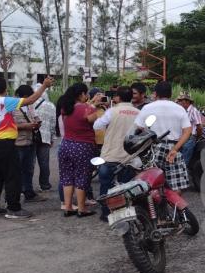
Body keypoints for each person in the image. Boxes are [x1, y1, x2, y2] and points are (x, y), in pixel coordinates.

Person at [0, 75, 54, 218]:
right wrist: (44, 85)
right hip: (6, 144)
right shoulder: (5, 101)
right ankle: (14, 209)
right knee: (12, 175)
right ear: (5, 88)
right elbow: (31, 100)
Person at [134, 80, 192, 192]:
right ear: (170, 94)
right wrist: (175, 149)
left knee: (151, 183)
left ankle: (155, 208)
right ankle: (175, 209)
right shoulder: (179, 108)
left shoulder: (148, 108)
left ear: (155, 93)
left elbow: (138, 128)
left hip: (153, 148)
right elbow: (188, 130)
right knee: (176, 185)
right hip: (173, 149)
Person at [93, 86, 140, 222]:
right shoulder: (138, 112)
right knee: (125, 186)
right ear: (131, 96)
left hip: (109, 155)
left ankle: (106, 213)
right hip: (129, 157)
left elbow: (97, 126)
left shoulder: (112, 112)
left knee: (106, 185)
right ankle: (123, 212)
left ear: (117, 98)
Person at [59, 83, 102, 217]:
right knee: (82, 177)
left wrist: (91, 104)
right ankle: (81, 208)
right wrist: (95, 107)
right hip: (82, 146)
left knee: (67, 177)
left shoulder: (66, 108)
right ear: (82, 94)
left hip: (65, 145)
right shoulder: (86, 108)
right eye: (86, 93)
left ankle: (68, 206)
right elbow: (90, 119)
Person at [12, 85, 45, 203]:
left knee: (29, 169)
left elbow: (35, 117)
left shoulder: (30, 106)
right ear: (24, 96)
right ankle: (13, 195)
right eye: (29, 96)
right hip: (17, 143)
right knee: (15, 170)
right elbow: (8, 126)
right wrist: (24, 126)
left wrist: (37, 122)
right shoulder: (12, 106)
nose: (31, 98)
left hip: (30, 141)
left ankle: (29, 193)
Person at [33, 93, 57, 191]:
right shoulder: (51, 105)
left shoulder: (29, 104)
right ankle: (45, 185)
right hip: (46, 137)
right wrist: (52, 137)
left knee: (29, 163)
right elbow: (53, 123)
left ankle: (25, 187)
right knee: (44, 163)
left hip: (33, 136)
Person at [176, 91, 204, 165]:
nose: (180, 103)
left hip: (190, 138)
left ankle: (186, 175)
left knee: (184, 162)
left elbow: (199, 127)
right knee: (180, 160)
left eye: (181, 101)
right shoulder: (184, 111)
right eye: (179, 101)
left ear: (187, 101)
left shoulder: (193, 111)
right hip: (183, 138)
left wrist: (196, 137)